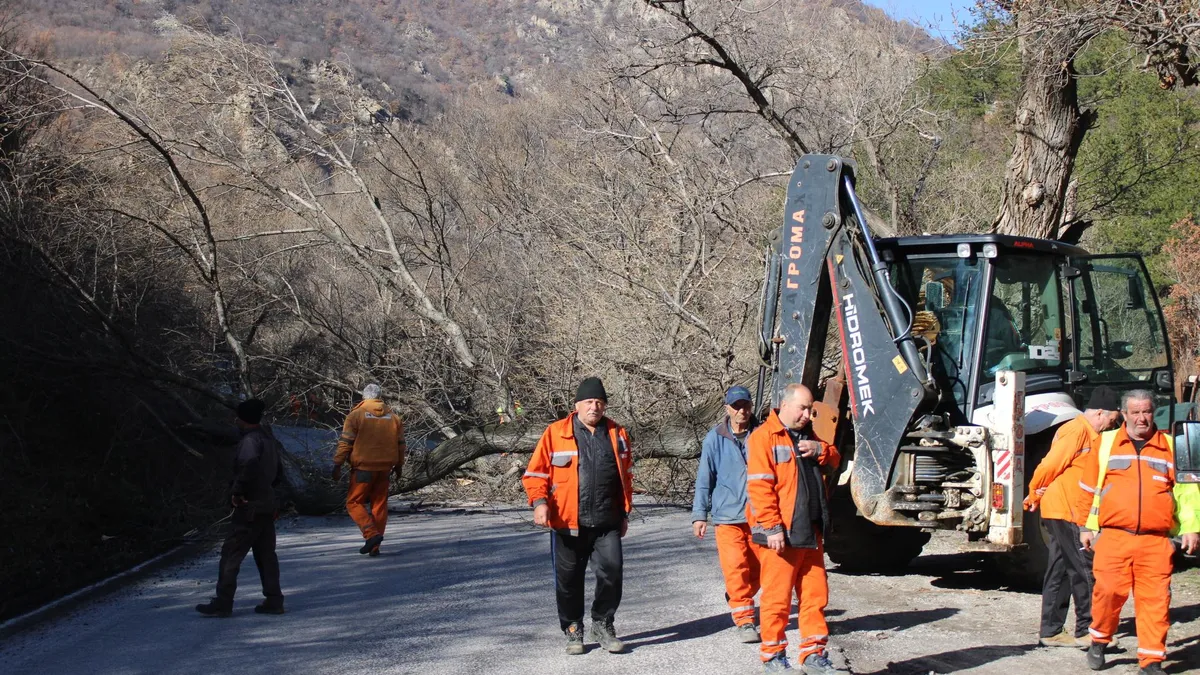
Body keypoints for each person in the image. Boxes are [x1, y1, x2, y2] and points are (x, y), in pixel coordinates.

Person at [1079, 390, 1200, 674]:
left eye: (1146, 411)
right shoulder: (1106, 443)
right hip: (1112, 536)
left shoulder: (1173, 446)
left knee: (1156, 602)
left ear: (1153, 412)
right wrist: (1085, 526)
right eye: (1135, 412)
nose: (1141, 418)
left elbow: (1187, 492)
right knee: (1108, 593)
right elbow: (1087, 489)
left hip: (1156, 541)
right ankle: (1099, 640)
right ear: (1123, 414)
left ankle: (1151, 661)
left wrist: (1192, 528)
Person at [522, 377, 634, 656]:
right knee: (569, 580)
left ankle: (603, 622)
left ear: (605, 405)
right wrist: (539, 503)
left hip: (607, 521)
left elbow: (626, 476)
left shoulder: (617, 433)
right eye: (588, 402)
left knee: (613, 573)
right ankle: (573, 628)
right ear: (577, 405)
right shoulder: (556, 432)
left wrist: (624, 513)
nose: (594, 407)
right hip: (567, 522)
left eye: (599, 402)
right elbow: (536, 472)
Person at [747, 383, 842, 673]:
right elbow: (760, 487)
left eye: (810, 409)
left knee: (815, 597)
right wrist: (772, 526)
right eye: (802, 408)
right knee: (777, 599)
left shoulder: (810, 437)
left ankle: (814, 656)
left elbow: (835, 460)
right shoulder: (764, 437)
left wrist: (820, 449)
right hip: (783, 535)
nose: (807, 414)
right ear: (784, 405)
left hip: (810, 532)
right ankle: (773, 657)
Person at [1023, 386, 1120, 648]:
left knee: (1061, 569)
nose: (1112, 425)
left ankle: (1051, 631)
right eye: (1112, 420)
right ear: (1100, 412)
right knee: (1084, 568)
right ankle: (1088, 630)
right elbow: (1050, 464)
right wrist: (1033, 492)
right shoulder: (1076, 430)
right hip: (1066, 510)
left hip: (1067, 508)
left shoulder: (1090, 434)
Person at [196, 399, 285, 617]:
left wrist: (238, 492)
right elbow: (279, 474)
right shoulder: (269, 440)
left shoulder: (250, 441)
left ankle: (223, 602)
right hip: (267, 505)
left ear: (241, 420)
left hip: (250, 506)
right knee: (266, 555)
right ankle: (274, 599)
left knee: (231, 554)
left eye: (237, 418)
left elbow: (248, 465)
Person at [691, 385, 764, 644]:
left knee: (760, 570)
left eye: (745, 406)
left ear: (751, 407)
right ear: (727, 409)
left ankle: (736, 596)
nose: (741, 411)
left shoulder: (764, 434)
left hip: (760, 515)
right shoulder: (714, 438)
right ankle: (745, 620)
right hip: (727, 517)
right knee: (735, 567)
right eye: (736, 406)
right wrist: (699, 514)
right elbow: (704, 478)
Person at [332, 384, 406, 556]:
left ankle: (371, 535)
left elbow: (346, 442)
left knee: (353, 503)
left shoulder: (355, 416)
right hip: (385, 469)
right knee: (379, 506)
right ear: (380, 398)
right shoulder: (395, 418)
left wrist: (337, 464)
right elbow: (401, 445)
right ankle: (374, 546)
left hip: (363, 468)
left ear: (364, 397)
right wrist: (399, 465)